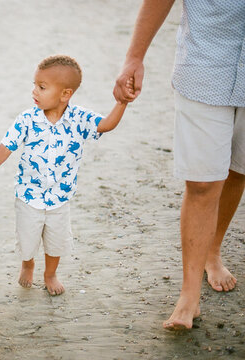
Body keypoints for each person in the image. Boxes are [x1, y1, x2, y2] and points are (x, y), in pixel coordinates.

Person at [114, 0, 245, 330]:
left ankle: (212, 252)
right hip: (204, 68)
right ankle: (189, 297)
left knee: (240, 169)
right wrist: (134, 57)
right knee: (202, 182)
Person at [0, 55, 129, 295]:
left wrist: (122, 103)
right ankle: (28, 264)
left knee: (56, 241)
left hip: (60, 198)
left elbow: (105, 125)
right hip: (28, 195)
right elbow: (7, 146)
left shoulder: (79, 119)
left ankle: (50, 274)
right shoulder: (27, 119)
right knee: (27, 239)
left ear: (65, 94)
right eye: (34, 84)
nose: (34, 91)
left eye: (42, 87)